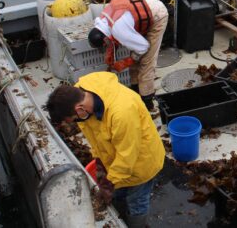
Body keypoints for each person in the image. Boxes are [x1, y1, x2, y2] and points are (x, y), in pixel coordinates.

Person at [45, 72, 165, 227]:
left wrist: (107, 184)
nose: (76, 122)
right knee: (120, 192)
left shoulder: (122, 113)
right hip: (118, 161)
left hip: (141, 162)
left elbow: (127, 157)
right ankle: (121, 211)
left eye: (74, 119)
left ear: (80, 109)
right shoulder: (79, 94)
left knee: (137, 202)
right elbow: (95, 136)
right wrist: (100, 164)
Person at [87, 0, 168, 110]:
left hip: (157, 15)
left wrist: (129, 60)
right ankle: (135, 91)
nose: (106, 47)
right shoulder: (101, 20)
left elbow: (143, 47)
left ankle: (147, 102)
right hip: (141, 10)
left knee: (146, 62)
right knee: (135, 57)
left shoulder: (118, 29)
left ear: (105, 39)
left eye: (105, 45)